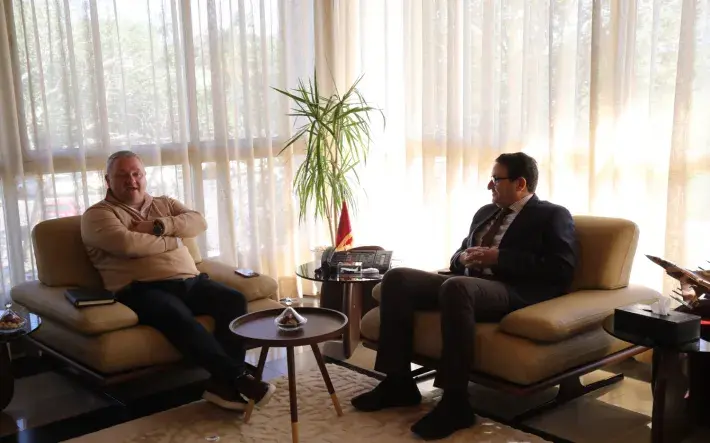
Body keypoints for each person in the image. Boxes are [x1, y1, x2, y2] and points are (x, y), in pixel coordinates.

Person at [351, 152, 578, 440]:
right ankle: (398, 383)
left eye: (496, 179)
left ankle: (455, 402)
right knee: (398, 278)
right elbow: (458, 256)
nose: (489, 185)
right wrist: (463, 258)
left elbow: (561, 269)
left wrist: (500, 258)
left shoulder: (552, 215)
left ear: (520, 183)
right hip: (467, 285)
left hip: (512, 290)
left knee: (456, 287)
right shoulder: (485, 213)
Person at [81, 151, 275, 411]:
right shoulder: (98, 215)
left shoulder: (165, 203)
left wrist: (158, 227)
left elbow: (198, 222)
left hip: (189, 281)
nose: (132, 180)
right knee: (175, 313)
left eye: (136, 173)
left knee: (233, 299)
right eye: (122, 175)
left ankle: (222, 385)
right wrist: (174, 239)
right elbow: (128, 245)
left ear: (144, 175)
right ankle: (238, 377)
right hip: (140, 288)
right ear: (107, 180)